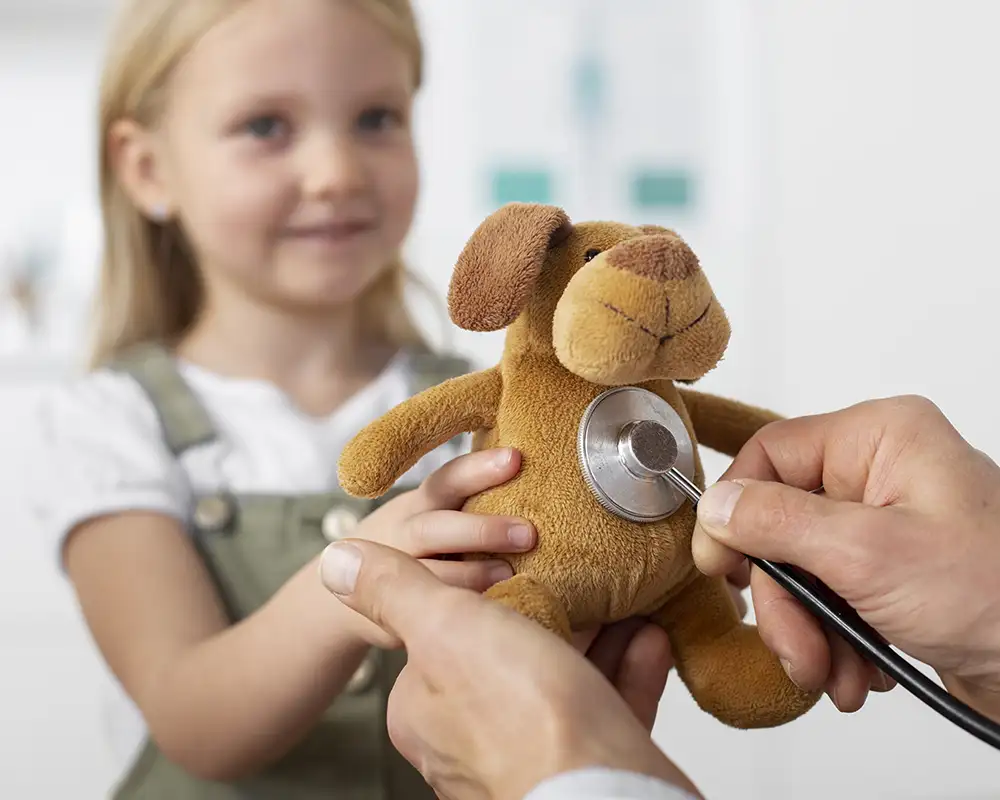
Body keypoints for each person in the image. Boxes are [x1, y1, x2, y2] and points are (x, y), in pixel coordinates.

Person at [25, 0, 544, 796]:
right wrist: (358, 582)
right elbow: (193, 721)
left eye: (376, 117)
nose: (337, 171)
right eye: (266, 127)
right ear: (148, 170)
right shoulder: (111, 426)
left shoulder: (482, 412)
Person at [319, 394, 1000, 800]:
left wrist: (553, 762)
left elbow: (747, 426)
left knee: (708, 628)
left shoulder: (660, 397)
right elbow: (377, 455)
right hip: (535, 582)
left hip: (682, 576)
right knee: (522, 610)